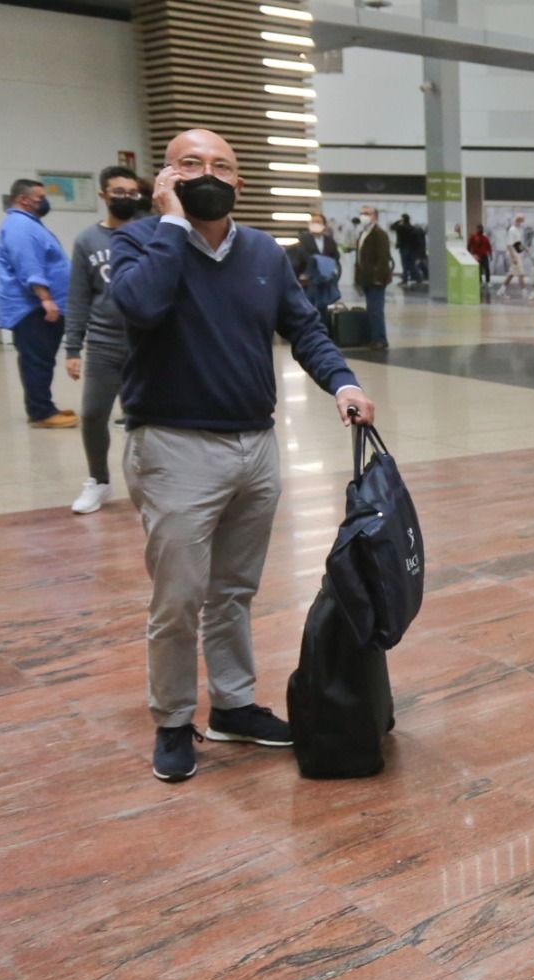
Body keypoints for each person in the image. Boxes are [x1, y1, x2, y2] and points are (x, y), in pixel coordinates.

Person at [108, 128, 376, 784]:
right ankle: (173, 719)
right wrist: (171, 225)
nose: (208, 173)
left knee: (232, 590)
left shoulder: (262, 251)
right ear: (165, 176)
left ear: (240, 182)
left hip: (254, 446)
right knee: (178, 597)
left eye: (221, 165)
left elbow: (303, 325)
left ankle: (232, 704)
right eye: (191, 163)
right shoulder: (140, 241)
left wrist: (342, 380)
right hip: (173, 448)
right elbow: (140, 307)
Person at [64, 165, 144, 513]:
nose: (125, 198)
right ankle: (98, 480)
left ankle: (148, 484)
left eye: (131, 192)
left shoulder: (150, 235)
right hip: (103, 343)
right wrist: (72, 347)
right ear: (103, 195)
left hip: (145, 343)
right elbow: (78, 297)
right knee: (94, 413)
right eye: (118, 192)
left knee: (143, 419)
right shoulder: (87, 240)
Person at [0, 178, 76, 428]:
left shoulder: (28, 224)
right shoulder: (20, 226)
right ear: (23, 199)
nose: (44, 202)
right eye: (40, 198)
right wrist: (46, 299)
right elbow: (28, 266)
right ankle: (41, 413)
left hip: (38, 305)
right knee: (36, 359)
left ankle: (44, 406)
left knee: (41, 358)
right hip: (32, 308)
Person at [355, 206, 393, 350]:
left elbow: (383, 258)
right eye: (362, 213)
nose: (363, 215)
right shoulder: (363, 233)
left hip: (376, 279)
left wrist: (378, 277)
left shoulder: (379, 234)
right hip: (365, 278)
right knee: (371, 309)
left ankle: (380, 339)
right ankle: (374, 337)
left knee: (376, 310)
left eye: (367, 213)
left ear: (375, 217)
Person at [290, 212, 341, 310]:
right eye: (313, 222)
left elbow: (335, 257)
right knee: (309, 308)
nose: (316, 224)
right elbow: (299, 259)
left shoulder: (330, 241)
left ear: (324, 225)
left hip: (325, 281)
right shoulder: (303, 239)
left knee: (323, 309)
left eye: (318, 222)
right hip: (309, 281)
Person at [503, 214, 528, 291]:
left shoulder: (519, 230)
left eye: (522, 221)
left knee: (511, 273)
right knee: (521, 273)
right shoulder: (512, 230)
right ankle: (524, 291)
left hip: (518, 253)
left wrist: (525, 248)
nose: (521, 222)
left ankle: (502, 290)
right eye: (520, 220)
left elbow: (518, 243)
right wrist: (513, 257)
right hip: (513, 254)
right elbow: (509, 245)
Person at [467, 224, 493, 290]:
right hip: (477, 256)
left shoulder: (485, 238)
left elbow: (489, 247)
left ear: (482, 229)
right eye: (478, 228)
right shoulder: (473, 237)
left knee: (487, 268)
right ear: (477, 229)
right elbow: (469, 245)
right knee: (479, 269)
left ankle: (488, 281)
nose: (479, 230)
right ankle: (480, 282)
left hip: (484, 255)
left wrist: (491, 255)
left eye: (481, 229)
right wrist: (470, 254)